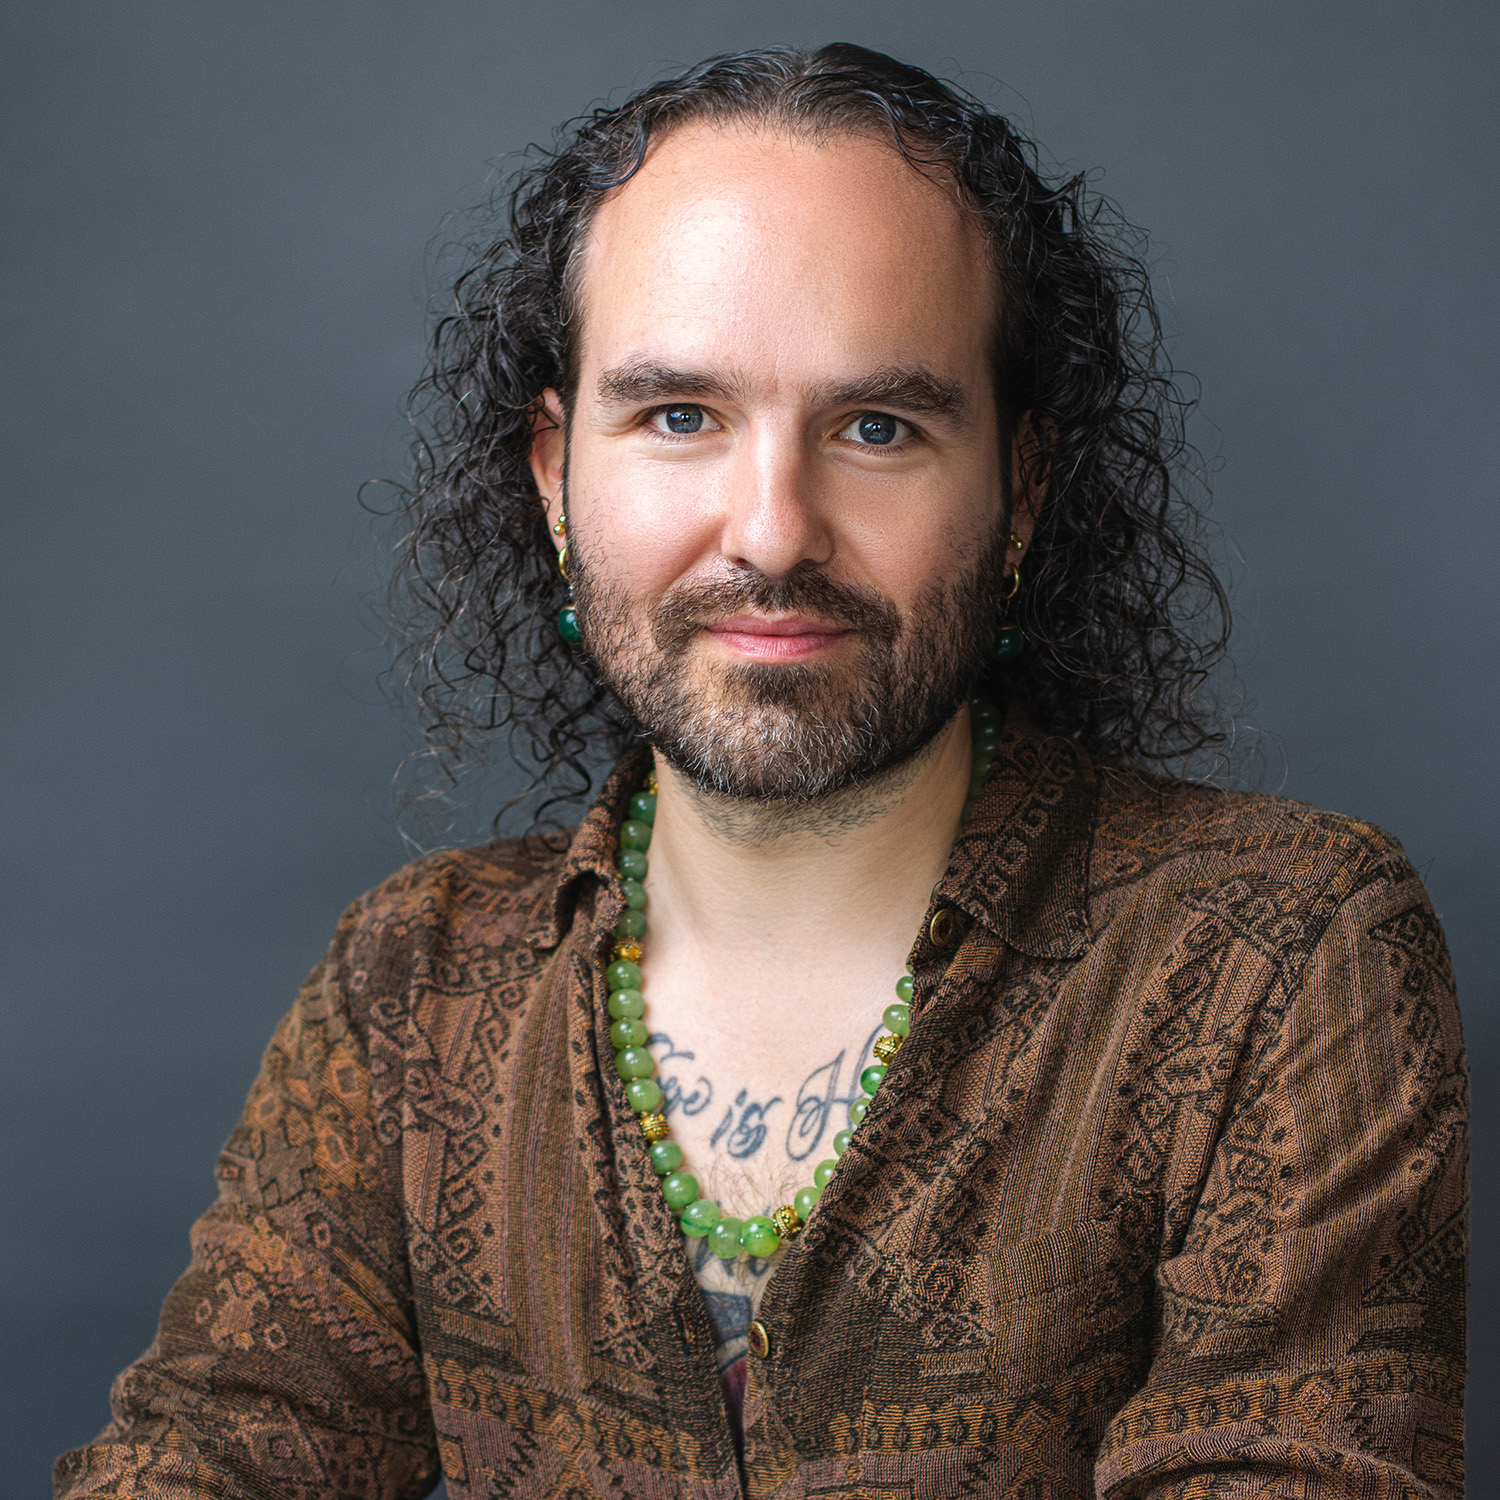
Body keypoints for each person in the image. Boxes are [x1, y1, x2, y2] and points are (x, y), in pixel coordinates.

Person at [56, 44, 1466, 1500]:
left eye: (877, 427)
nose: (774, 531)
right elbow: (199, 1459)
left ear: (1022, 490)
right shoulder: (409, 988)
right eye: (680, 417)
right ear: (554, 477)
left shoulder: (1278, 956)